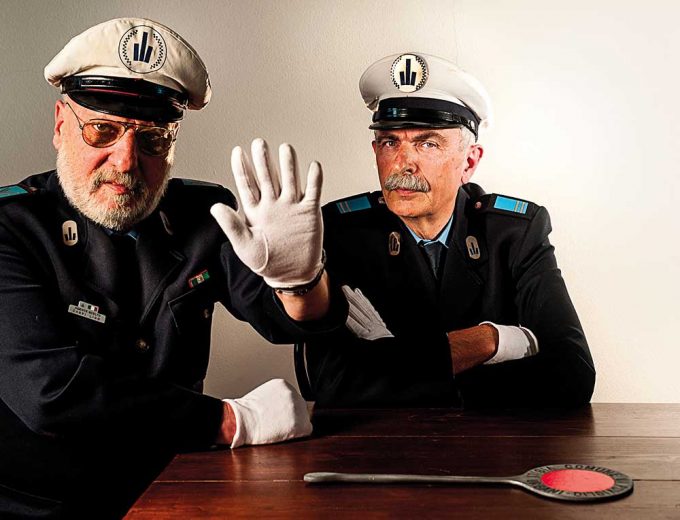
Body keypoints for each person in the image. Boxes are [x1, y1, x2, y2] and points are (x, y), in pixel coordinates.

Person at [0, 18, 342, 518]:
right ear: (60, 125)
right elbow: (50, 394)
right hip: (39, 506)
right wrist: (231, 421)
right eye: (103, 130)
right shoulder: (11, 227)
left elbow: (285, 322)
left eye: (153, 139)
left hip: (176, 487)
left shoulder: (202, 215)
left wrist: (300, 281)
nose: (125, 161)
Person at [288, 52, 596, 408]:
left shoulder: (514, 234)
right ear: (375, 151)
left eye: (428, 143)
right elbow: (330, 384)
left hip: (489, 443)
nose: (403, 164)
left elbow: (572, 374)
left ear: (469, 162)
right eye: (390, 142)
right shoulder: (343, 232)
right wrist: (490, 342)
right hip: (381, 444)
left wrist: (394, 366)